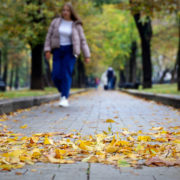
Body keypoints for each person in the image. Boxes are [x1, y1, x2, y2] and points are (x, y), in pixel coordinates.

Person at [44, 2, 91, 107]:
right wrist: (47, 50)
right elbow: (49, 36)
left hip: (70, 51)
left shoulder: (76, 25)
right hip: (57, 50)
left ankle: (64, 97)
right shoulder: (55, 22)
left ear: (71, 12)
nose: (65, 12)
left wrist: (86, 55)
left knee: (66, 73)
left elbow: (83, 41)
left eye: (67, 10)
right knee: (55, 75)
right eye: (63, 10)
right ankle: (64, 91)